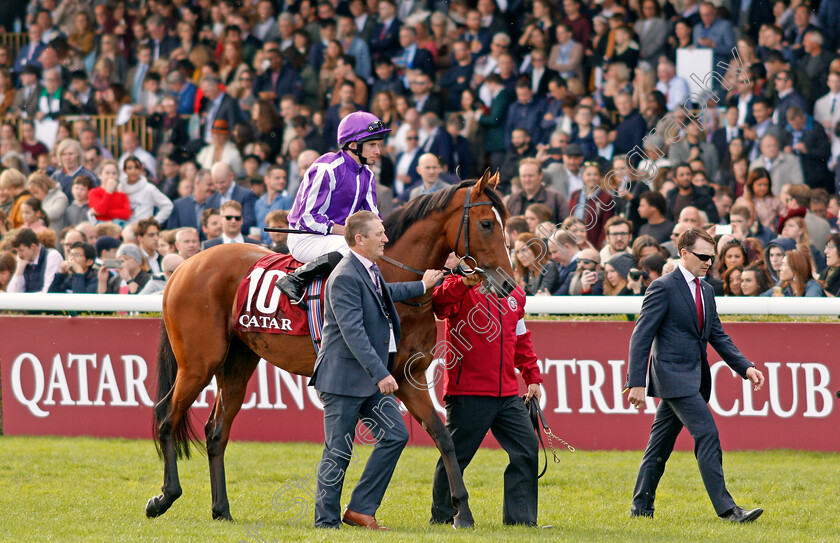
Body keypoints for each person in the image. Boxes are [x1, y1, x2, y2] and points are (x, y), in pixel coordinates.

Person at [309, 210, 441, 530]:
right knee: (339, 451)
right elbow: (353, 333)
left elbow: (387, 294)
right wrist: (381, 373)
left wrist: (421, 285)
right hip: (344, 380)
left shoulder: (368, 269)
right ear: (360, 239)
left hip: (367, 380)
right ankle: (326, 522)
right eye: (379, 234)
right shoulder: (344, 276)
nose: (386, 238)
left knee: (395, 436)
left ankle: (359, 511)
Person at [625, 227, 765, 522]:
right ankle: (729, 510)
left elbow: (718, 336)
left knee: (659, 446)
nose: (708, 263)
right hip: (672, 378)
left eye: (711, 257)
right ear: (684, 254)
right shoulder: (662, 287)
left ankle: (640, 509)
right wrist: (636, 382)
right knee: (708, 435)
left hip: (694, 379)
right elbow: (641, 336)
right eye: (703, 256)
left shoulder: (707, 289)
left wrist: (746, 367)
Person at [430, 266, 543, 526]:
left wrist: (533, 377)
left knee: (527, 447)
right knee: (457, 456)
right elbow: (439, 305)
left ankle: (521, 521)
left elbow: (521, 338)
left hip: (507, 393)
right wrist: (464, 283)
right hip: (468, 391)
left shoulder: (515, 293)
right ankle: (443, 517)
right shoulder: (460, 284)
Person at [280, 111, 391, 304]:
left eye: (378, 145)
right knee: (355, 247)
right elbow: (308, 218)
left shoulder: (368, 174)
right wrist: (349, 232)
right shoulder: (326, 168)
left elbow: (372, 217)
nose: (378, 151)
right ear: (354, 145)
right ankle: (296, 278)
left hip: (337, 238)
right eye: (372, 144)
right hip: (306, 237)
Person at [7, 228, 63, 293]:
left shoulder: (52, 256)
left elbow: (48, 291)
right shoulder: (23, 261)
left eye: (21, 250)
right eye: (17, 251)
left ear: (33, 246)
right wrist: (19, 268)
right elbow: (12, 293)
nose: (19, 255)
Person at [760, 249, 825, 297]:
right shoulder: (783, 285)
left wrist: (785, 302)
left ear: (795, 270)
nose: (780, 268)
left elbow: (809, 308)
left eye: (784, 265)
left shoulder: (813, 285)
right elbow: (762, 298)